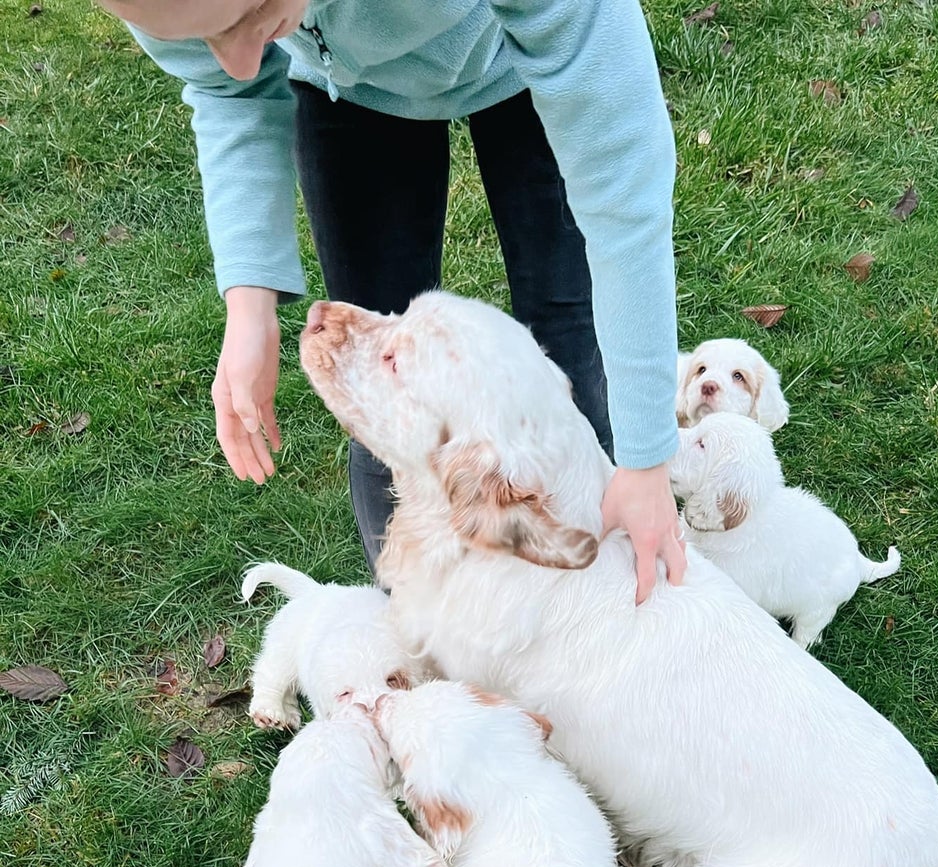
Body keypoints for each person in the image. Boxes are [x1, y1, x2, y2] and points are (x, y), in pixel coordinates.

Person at [97, 0, 687, 602]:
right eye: (204, 36)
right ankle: (419, 626)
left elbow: (622, 202)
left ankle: (608, 604)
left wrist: (645, 462)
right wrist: (250, 307)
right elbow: (227, 88)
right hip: (348, 91)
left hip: (521, 57)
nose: (245, 61)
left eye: (254, 16)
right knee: (377, 384)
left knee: (571, 328)